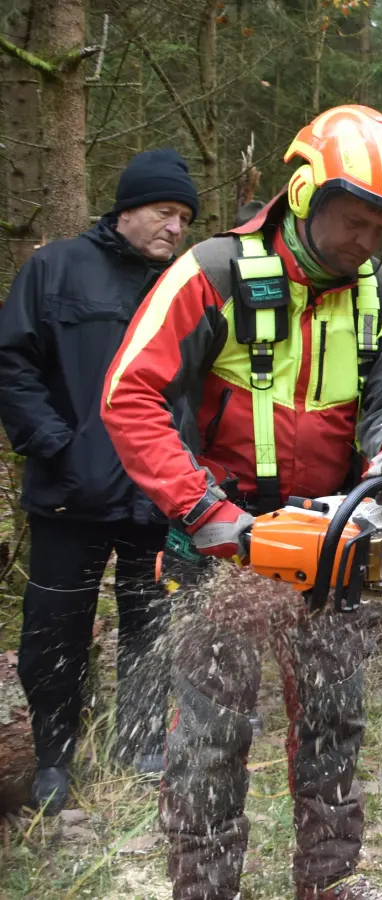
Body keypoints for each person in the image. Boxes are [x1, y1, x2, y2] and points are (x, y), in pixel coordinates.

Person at [101, 105, 382, 900]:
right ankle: (205, 886)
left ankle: (330, 880)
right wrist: (207, 513)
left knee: (333, 724)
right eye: (353, 220)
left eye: (380, 227)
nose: (364, 240)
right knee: (209, 741)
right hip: (223, 534)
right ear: (304, 194)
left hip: (332, 533)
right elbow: (129, 395)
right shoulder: (214, 273)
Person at [0, 149, 198, 812]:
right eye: (165, 212)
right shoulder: (56, 268)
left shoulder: (183, 286)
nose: (176, 228)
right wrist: (53, 444)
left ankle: (140, 741)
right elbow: (12, 364)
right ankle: (54, 756)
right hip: (70, 490)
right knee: (56, 626)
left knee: (150, 620)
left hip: (156, 496)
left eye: (185, 218)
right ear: (127, 208)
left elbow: (200, 386)